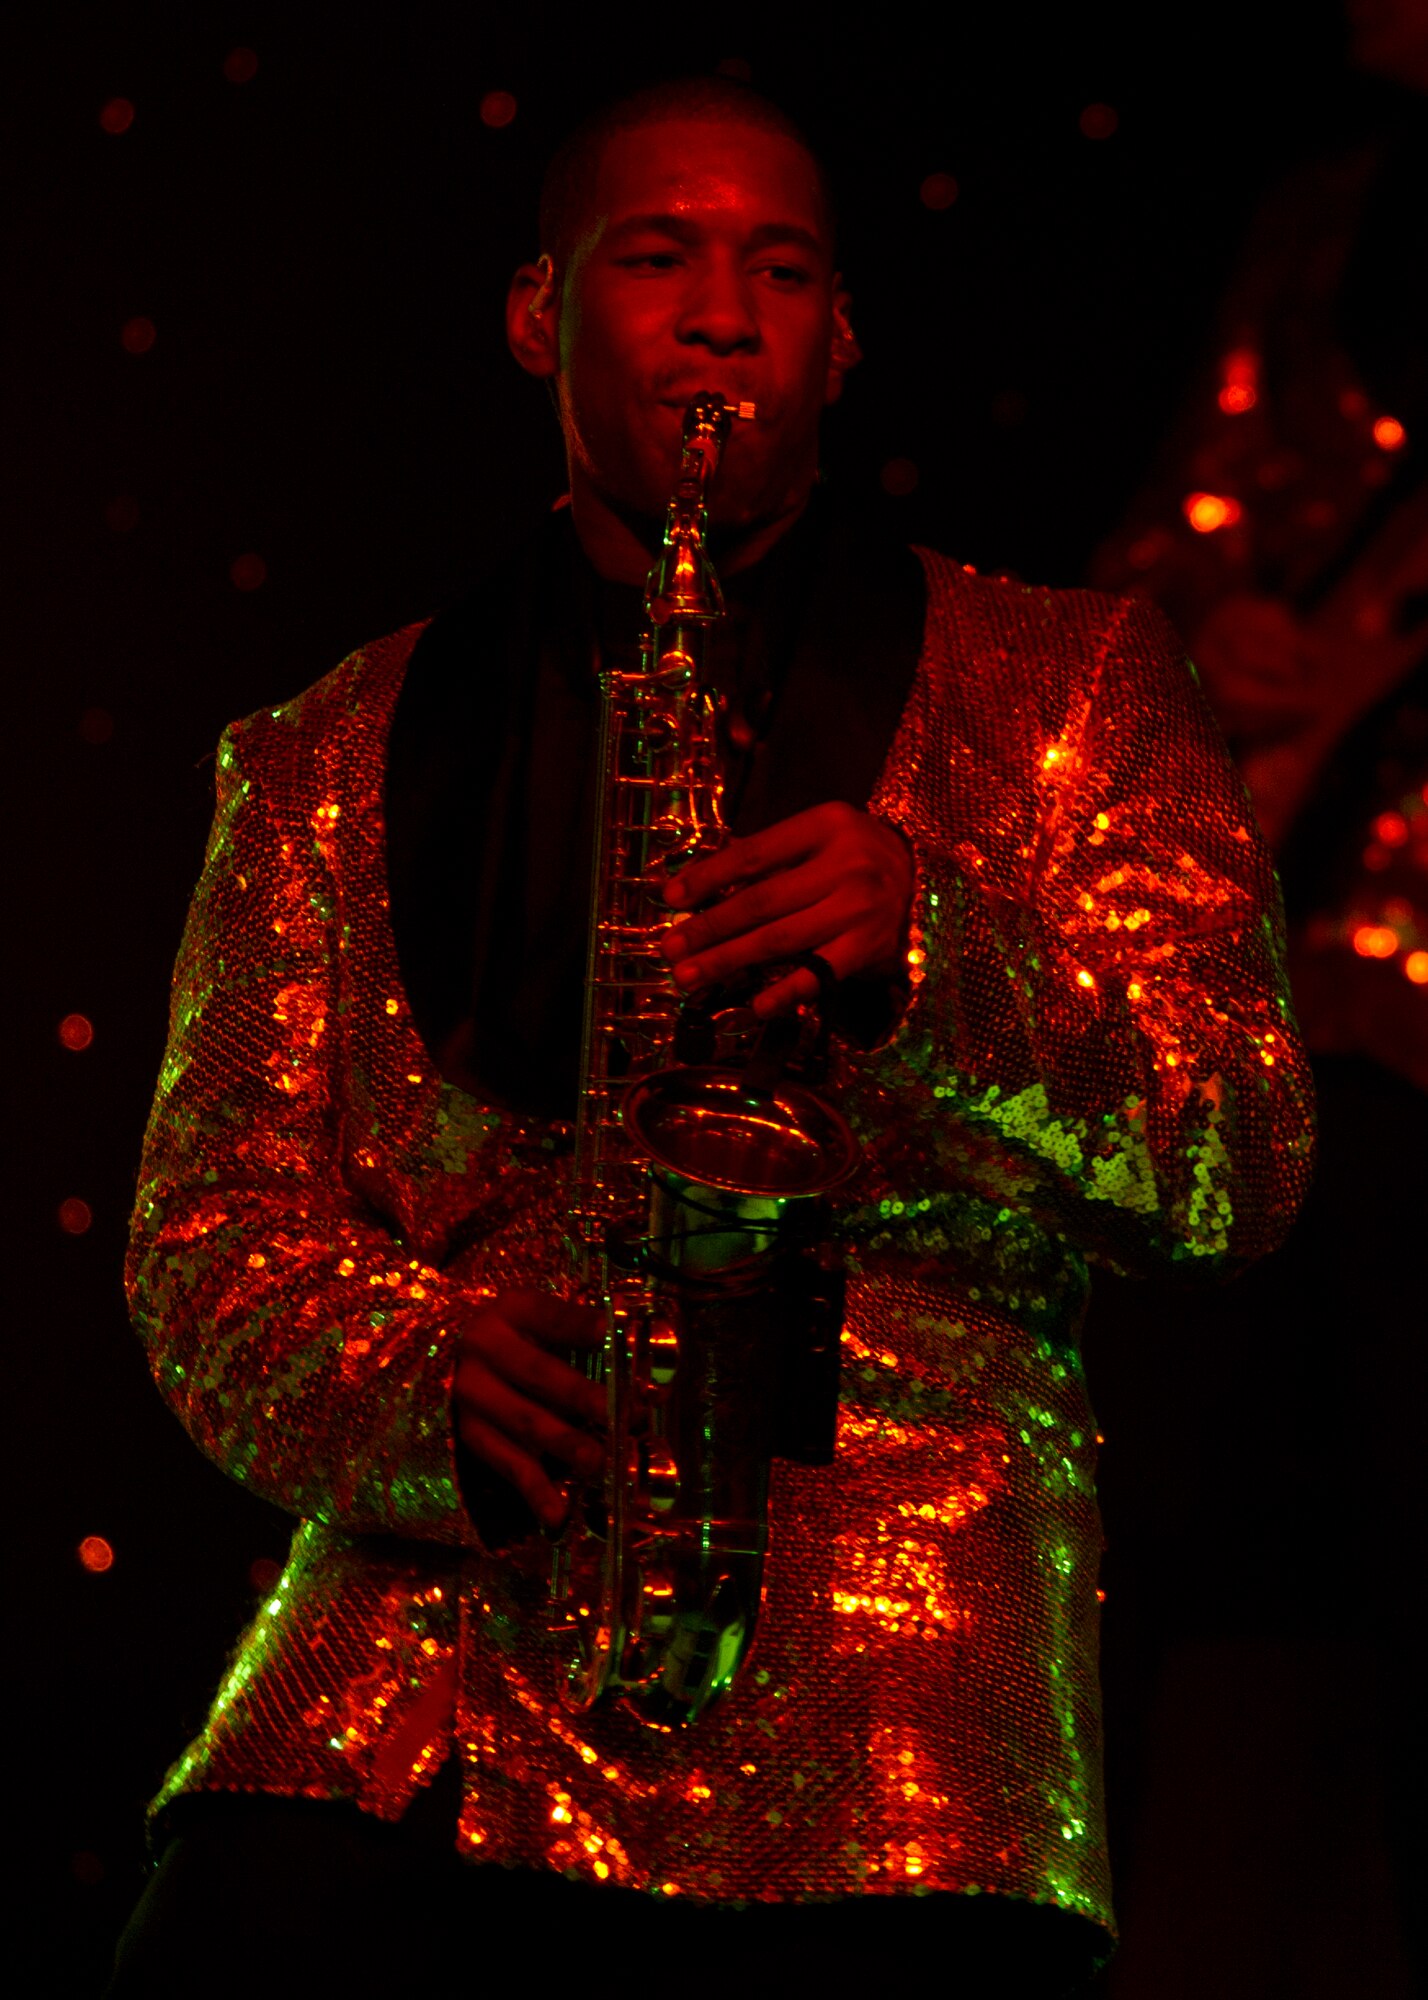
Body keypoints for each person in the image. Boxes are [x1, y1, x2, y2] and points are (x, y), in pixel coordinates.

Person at [110, 76, 1314, 1997]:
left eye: (780, 267)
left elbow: (1243, 1154)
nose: (722, 315)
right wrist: (418, 1388)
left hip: (905, 1703)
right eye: (657, 257)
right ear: (538, 314)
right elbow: (199, 1235)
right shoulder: (320, 746)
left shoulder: (1076, 682)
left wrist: (947, 961)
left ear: (841, 337)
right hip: (428, 1660)